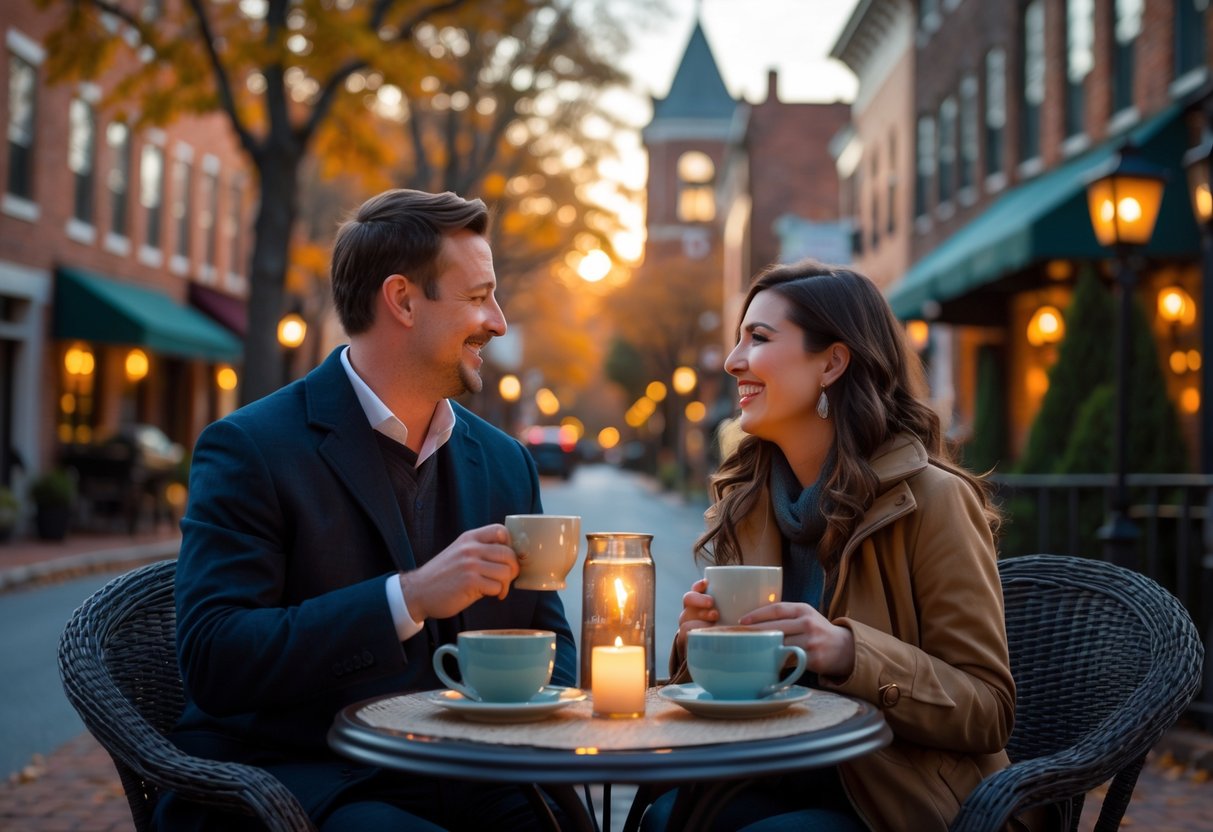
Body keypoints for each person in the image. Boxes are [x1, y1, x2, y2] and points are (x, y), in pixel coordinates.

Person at [157, 189, 577, 832]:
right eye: (477, 297)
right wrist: (406, 598)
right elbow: (216, 659)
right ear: (403, 300)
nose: (497, 320)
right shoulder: (251, 449)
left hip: (469, 777)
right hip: (298, 780)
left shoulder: (505, 463)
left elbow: (553, 645)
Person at [644, 261, 1023, 832]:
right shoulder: (748, 506)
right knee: (665, 818)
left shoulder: (934, 500)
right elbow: (734, 699)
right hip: (770, 772)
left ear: (833, 363)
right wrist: (696, 648)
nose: (732, 361)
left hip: (892, 799)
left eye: (759, 338)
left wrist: (850, 653)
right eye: (738, 339)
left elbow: (989, 710)